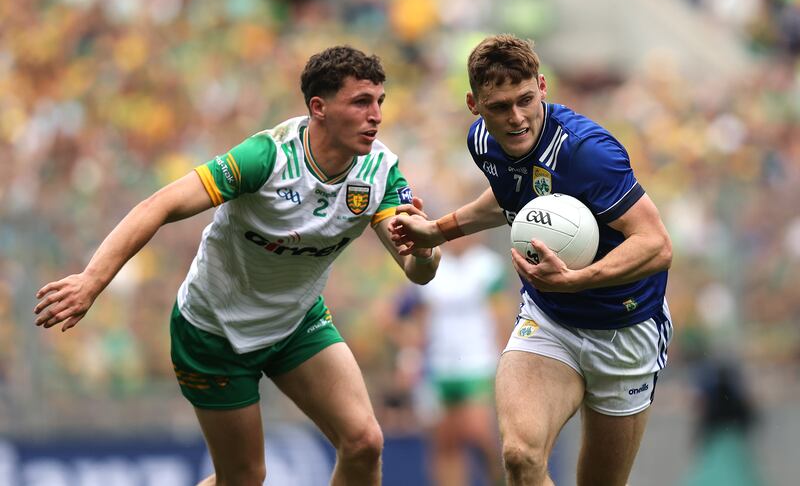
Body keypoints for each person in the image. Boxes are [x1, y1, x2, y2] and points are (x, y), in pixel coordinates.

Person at [33, 45, 441, 486]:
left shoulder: (381, 171)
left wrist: (424, 249)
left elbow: (417, 271)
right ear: (318, 108)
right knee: (243, 478)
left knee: (364, 443)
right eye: (361, 102)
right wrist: (92, 281)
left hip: (295, 323)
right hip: (214, 331)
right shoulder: (266, 157)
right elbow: (159, 205)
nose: (376, 116)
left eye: (380, 101)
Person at [389, 33, 673, 486]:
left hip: (624, 328)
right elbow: (509, 197)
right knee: (520, 456)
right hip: (550, 321)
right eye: (499, 107)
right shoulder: (483, 142)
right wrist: (438, 230)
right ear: (474, 104)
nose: (516, 118)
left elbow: (656, 244)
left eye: (525, 100)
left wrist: (580, 279)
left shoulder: (587, 153)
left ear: (542, 86)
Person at [392, 235, 507, 486]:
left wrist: (507, 361)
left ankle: (501, 480)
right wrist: (410, 358)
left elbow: (501, 316)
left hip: (479, 363)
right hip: (439, 366)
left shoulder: (488, 266)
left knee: (478, 433)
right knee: (445, 442)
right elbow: (417, 319)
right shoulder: (431, 266)